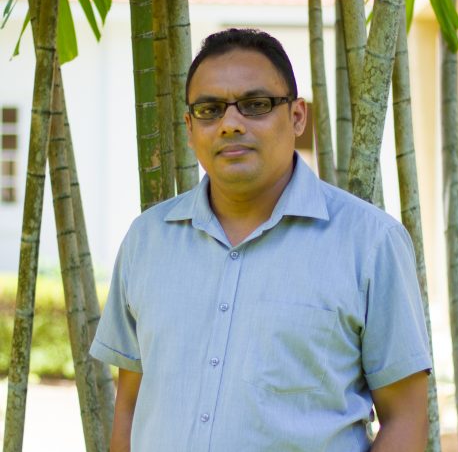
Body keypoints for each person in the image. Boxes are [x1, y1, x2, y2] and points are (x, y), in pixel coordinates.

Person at [90, 28, 432, 452]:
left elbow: (406, 418)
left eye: (256, 105)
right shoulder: (147, 241)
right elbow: (130, 406)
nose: (231, 124)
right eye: (210, 110)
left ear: (297, 117)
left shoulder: (371, 243)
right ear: (190, 127)